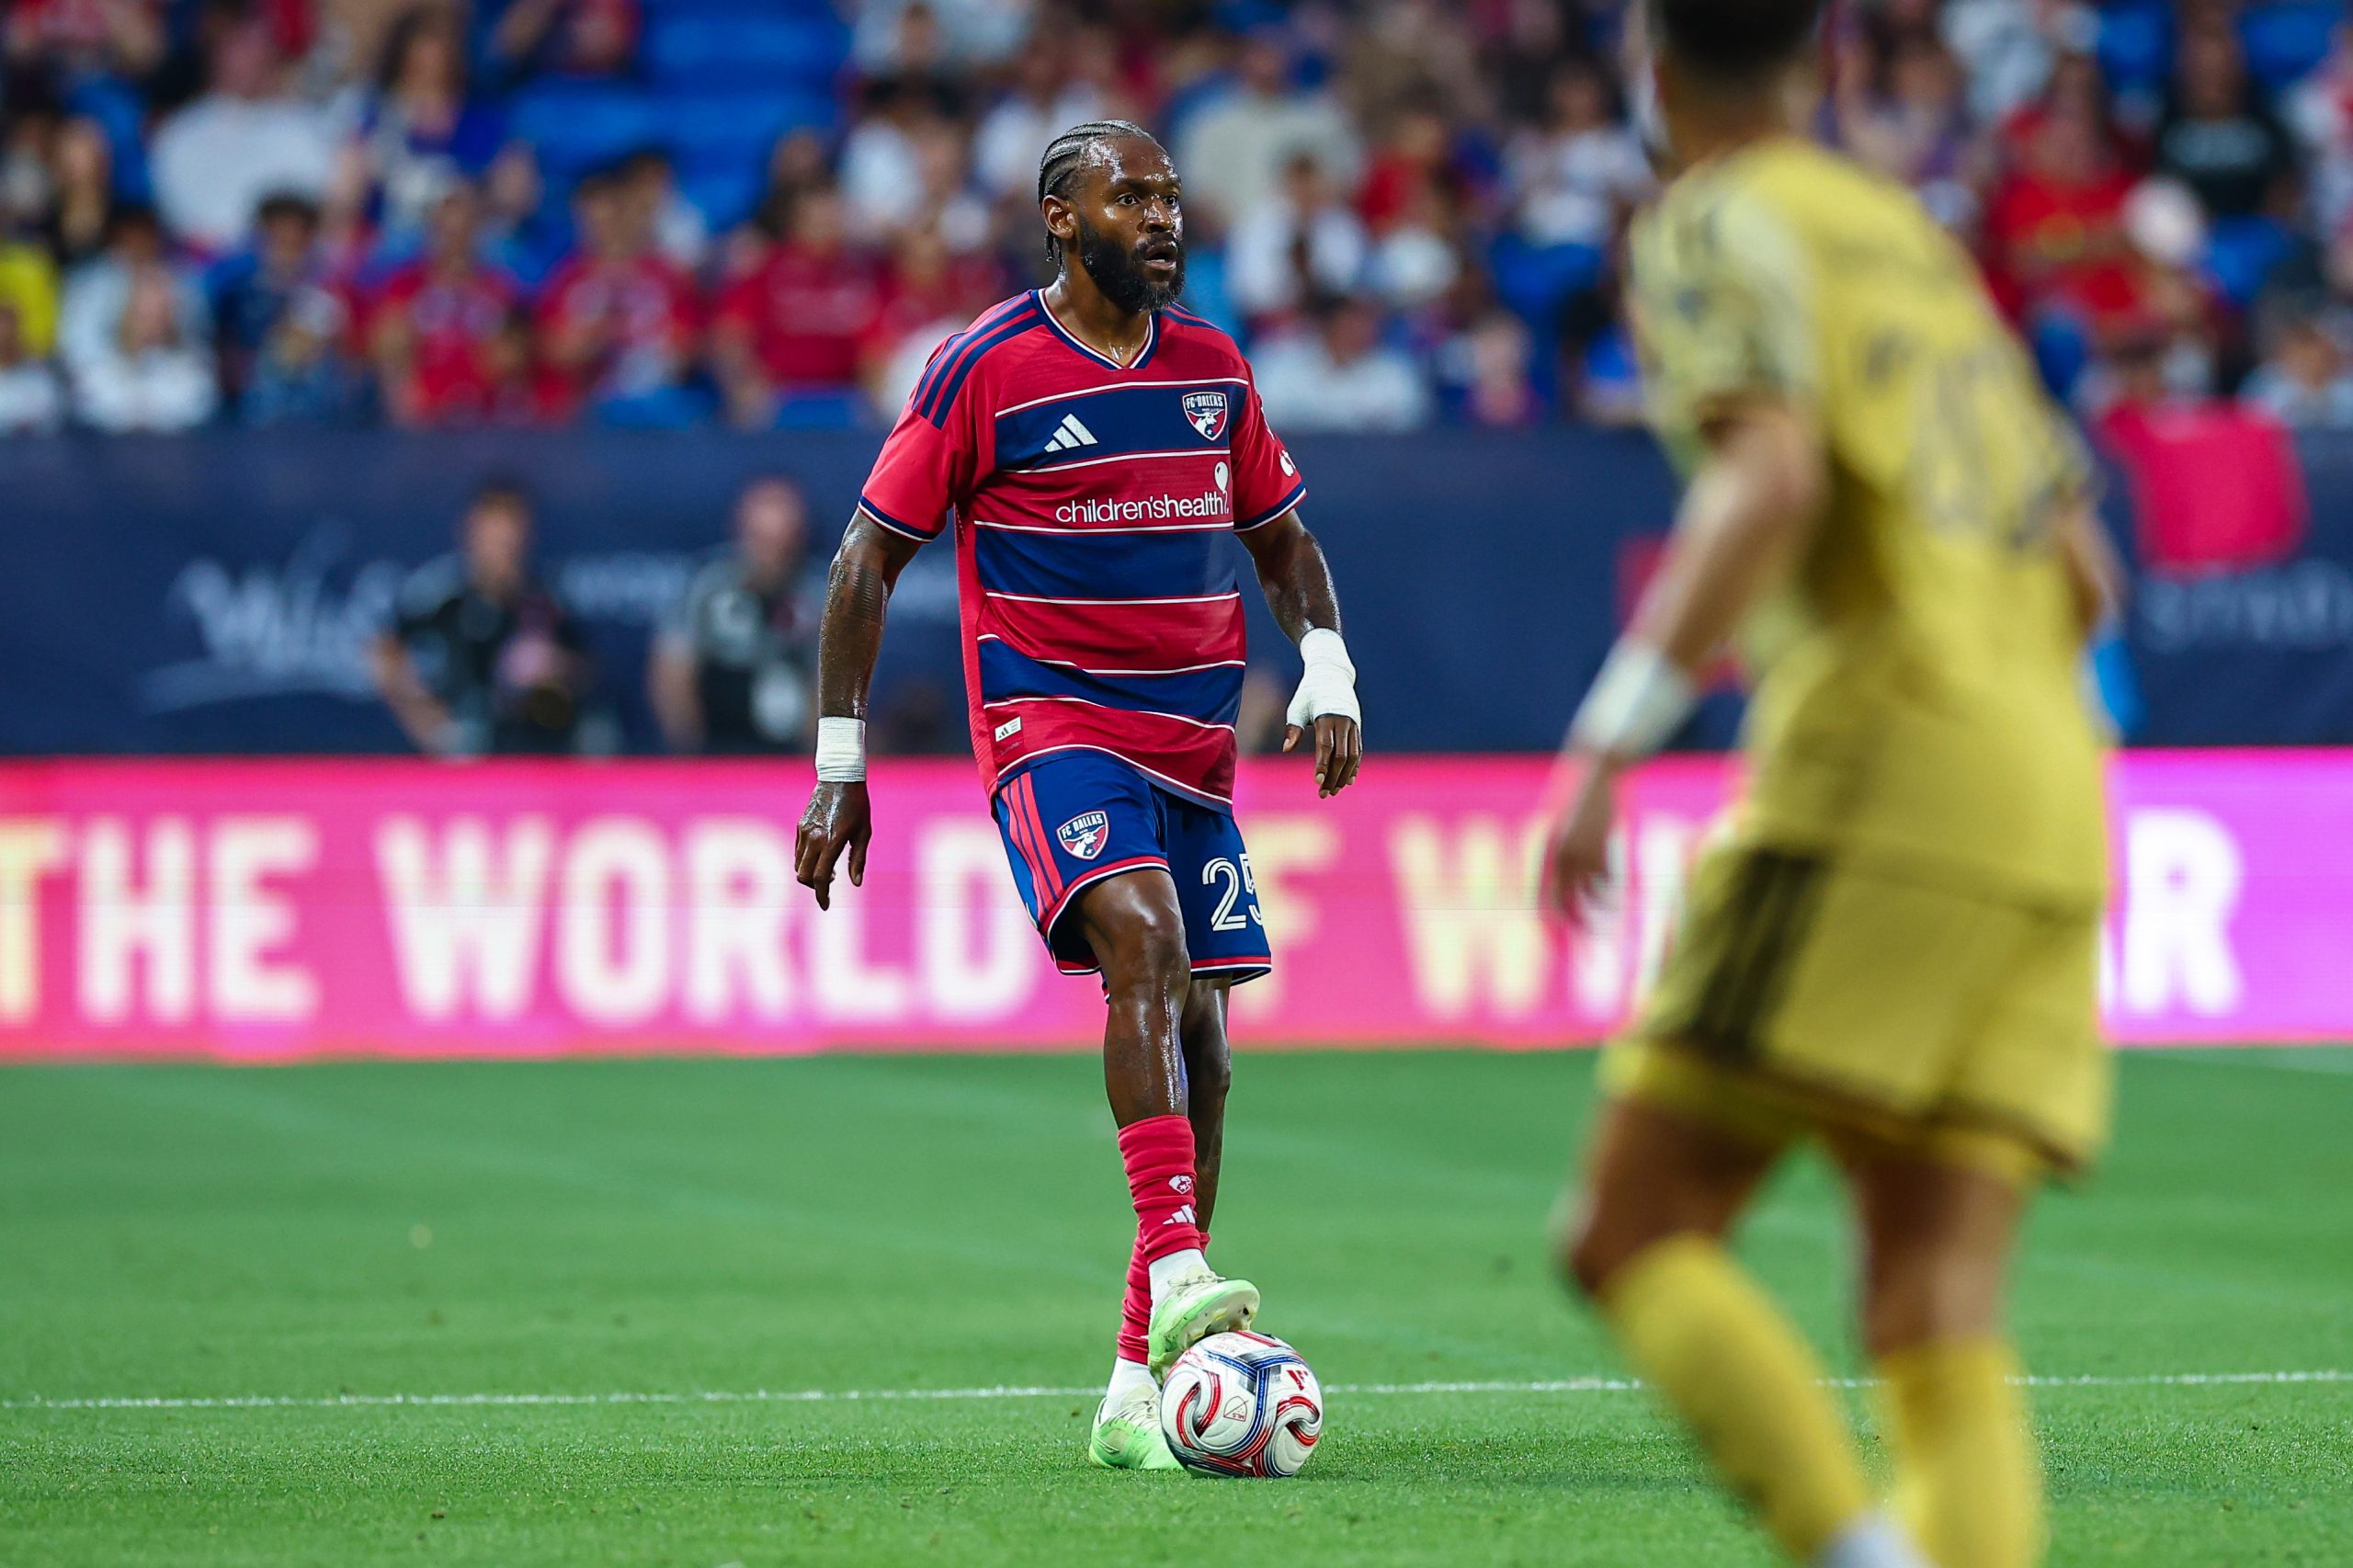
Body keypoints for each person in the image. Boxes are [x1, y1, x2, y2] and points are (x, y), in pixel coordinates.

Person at [1540, 5, 2120, 1567]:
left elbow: (1774, 473)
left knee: (1631, 1227)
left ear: (1654, 72)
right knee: (1935, 1296)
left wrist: (1609, 740)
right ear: (1829, 67)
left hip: (1885, 772)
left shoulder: (1713, 217)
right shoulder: (1914, 243)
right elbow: (2087, 572)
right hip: (2056, 795)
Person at [793, 120, 1364, 1471]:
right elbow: (865, 558)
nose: (1163, 219)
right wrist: (839, 764)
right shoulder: (984, 366)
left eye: (1171, 197)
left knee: (1207, 1050)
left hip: (1194, 750)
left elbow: (1281, 539)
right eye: (1132, 197)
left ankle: (1129, 1389)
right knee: (1144, 944)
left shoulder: (1213, 367)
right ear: (1062, 216)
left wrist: (1328, 664)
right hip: (1050, 726)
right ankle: (1179, 1267)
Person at [371, 479, 597, 756]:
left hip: (522, 753)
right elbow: (383, 652)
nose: (505, 548)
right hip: (448, 756)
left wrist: (555, 665)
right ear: (470, 532)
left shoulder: (545, 598)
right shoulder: (438, 594)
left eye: (512, 536)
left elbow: (587, 671)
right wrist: (432, 725)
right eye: (495, 537)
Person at [650, 475, 821, 755]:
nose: (769, 557)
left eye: (780, 544)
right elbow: (673, 668)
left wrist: (815, 757)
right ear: (741, 531)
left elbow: (831, 682)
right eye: (760, 541)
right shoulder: (708, 585)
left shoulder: (818, 594)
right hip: (715, 751)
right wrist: (688, 750)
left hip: (791, 755)